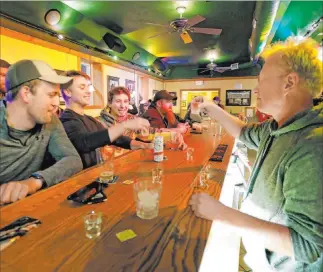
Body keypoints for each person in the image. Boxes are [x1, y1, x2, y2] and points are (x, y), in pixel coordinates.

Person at [189, 38, 323, 271]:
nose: (256, 88)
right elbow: (242, 131)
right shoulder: (277, 127)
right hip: (260, 256)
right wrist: (210, 106)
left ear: (289, 83)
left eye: (261, 80)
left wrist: (222, 213)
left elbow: (308, 247)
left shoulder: (311, 146)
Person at [0, 60, 83, 204]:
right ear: (26, 93)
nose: (57, 103)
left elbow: (73, 160)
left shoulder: (50, 120)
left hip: (29, 209)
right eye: (51, 95)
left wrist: (34, 182)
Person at [60, 71, 151, 168]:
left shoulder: (90, 120)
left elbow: (117, 139)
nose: (88, 91)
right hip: (81, 180)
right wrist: (125, 125)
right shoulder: (67, 119)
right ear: (67, 92)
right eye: (82, 87)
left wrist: (144, 145)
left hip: (95, 175)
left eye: (88, 87)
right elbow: (84, 142)